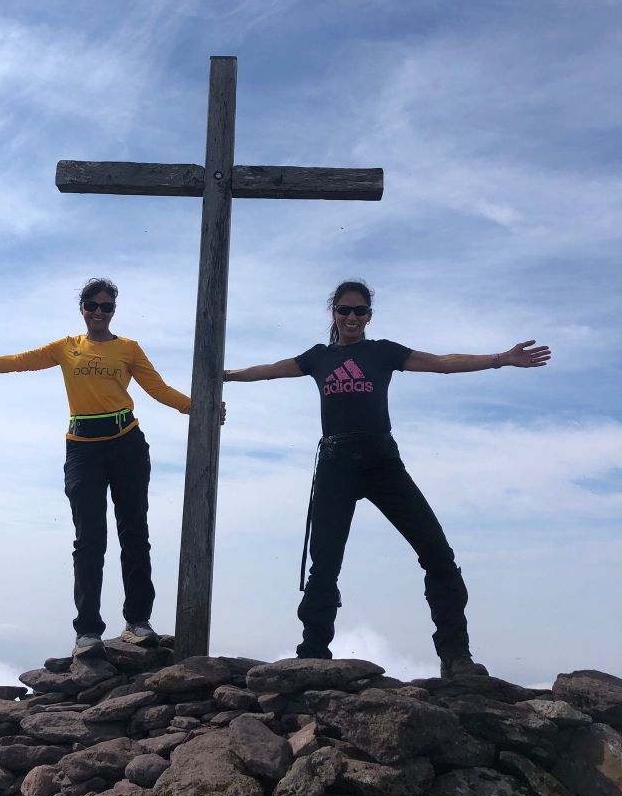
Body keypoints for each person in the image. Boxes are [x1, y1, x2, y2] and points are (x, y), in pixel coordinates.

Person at [223, 279, 551, 677]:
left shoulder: (382, 352)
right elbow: (271, 371)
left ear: (369, 316)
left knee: (438, 555)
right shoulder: (318, 358)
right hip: (335, 464)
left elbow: (443, 363)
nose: (352, 317)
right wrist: (222, 375)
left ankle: (456, 657)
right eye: (344, 310)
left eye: (360, 311)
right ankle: (312, 653)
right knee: (323, 565)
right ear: (334, 314)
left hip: (382, 462)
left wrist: (502, 358)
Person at [0, 277, 215, 654]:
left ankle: (138, 621)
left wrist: (200, 407)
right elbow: (19, 362)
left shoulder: (129, 349)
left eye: (106, 306)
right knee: (89, 539)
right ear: (82, 308)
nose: (98, 312)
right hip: (82, 449)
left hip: (126, 443)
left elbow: (157, 389)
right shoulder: (66, 347)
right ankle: (88, 631)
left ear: (113, 311)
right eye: (92, 305)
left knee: (134, 533)